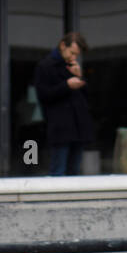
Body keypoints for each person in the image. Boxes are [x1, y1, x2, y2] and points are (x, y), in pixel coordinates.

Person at [34, 32, 95, 176]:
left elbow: (87, 96)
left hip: (78, 126)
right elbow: (43, 95)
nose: (73, 57)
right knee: (58, 170)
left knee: (74, 171)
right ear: (63, 45)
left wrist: (79, 76)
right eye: (72, 53)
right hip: (60, 127)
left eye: (76, 55)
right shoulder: (45, 66)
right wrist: (66, 85)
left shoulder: (73, 66)